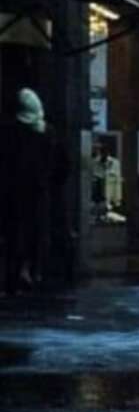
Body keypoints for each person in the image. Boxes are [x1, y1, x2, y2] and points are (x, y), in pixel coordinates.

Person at [0, 88, 66, 295]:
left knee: (13, 234)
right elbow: (63, 165)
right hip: (39, 192)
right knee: (36, 234)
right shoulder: (48, 133)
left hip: (12, 192)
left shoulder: (9, 131)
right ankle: (32, 271)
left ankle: (15, 275)